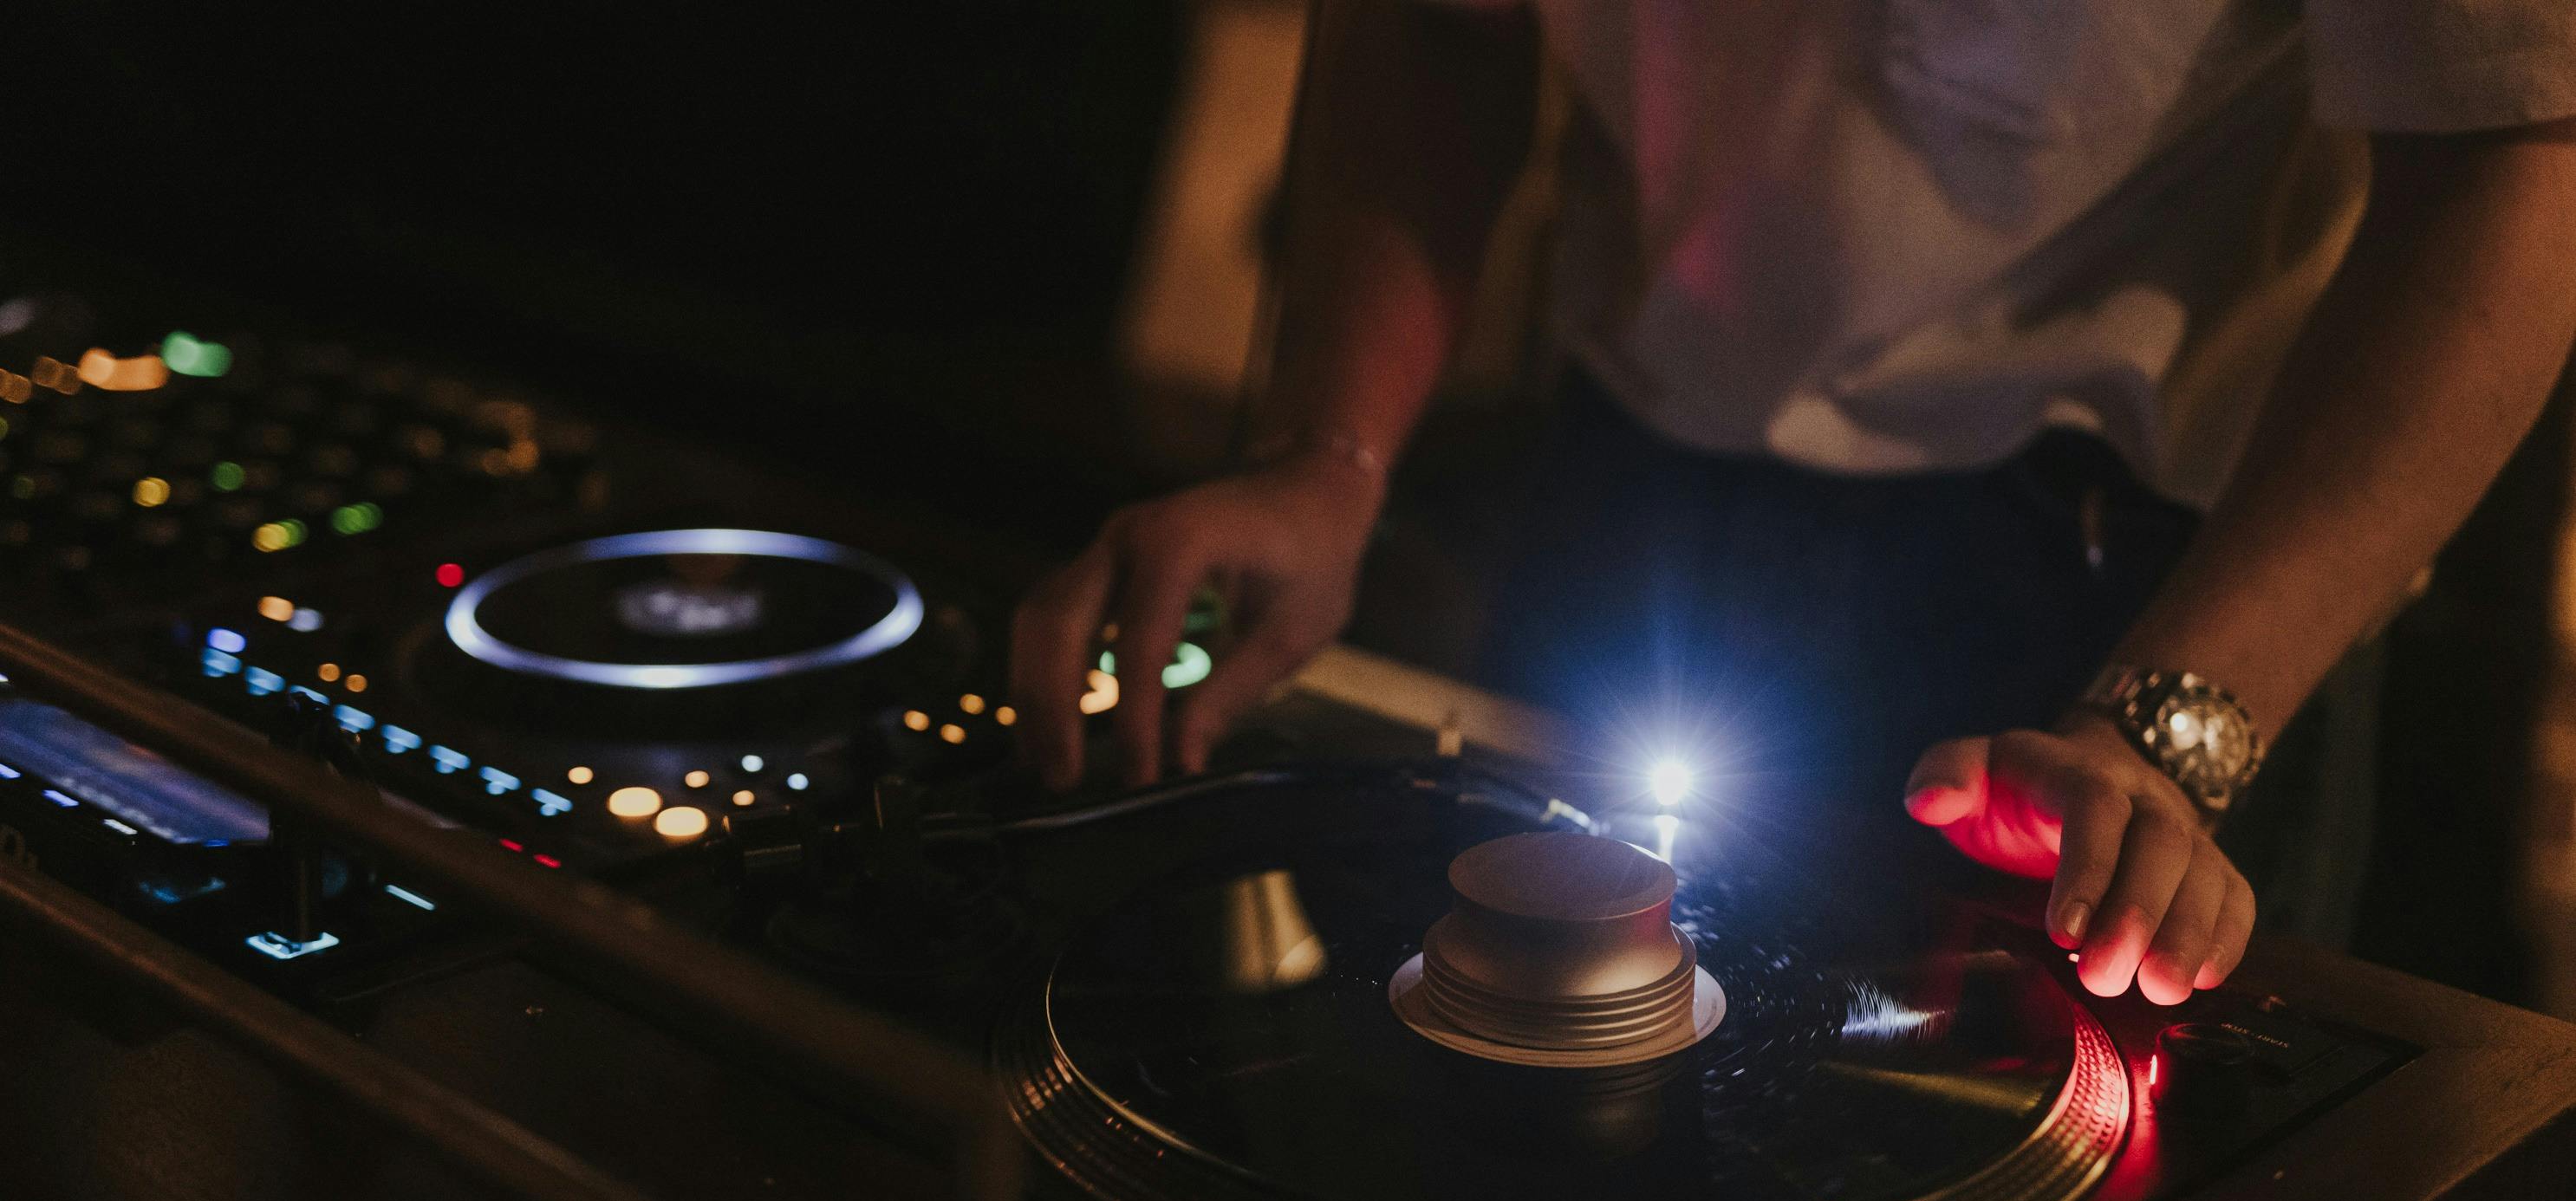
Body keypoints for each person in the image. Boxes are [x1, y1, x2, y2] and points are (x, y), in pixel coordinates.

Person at [1010, 2, 2576, 1005]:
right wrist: (1323, 459)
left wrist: (2168, 724)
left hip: (2147, 600)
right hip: (1629, 502)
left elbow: (2514, 167)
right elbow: (1439, 29)